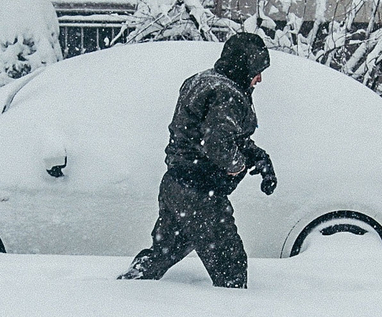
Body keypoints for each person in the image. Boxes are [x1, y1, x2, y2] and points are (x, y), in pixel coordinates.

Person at [118, 33, 277, 289]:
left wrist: (258, 156)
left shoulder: (203, 81)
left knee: (164, 252)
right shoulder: (228, 94)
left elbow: (210, 132)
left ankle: (125, 291)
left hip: (176, 185)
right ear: (243, 66)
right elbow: (218, 144)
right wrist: (238, 166)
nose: (260, 78)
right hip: (201, 195)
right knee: (230, 267)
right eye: (257, 71)